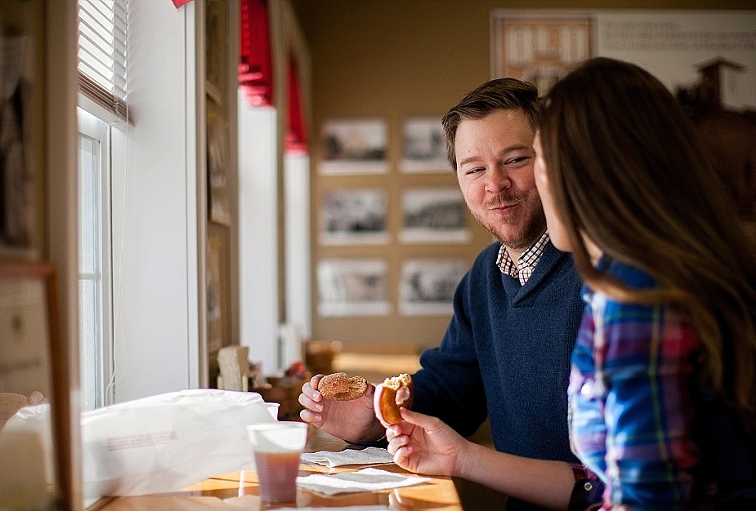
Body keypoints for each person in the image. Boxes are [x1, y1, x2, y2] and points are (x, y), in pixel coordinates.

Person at [387, 57, 756, 509]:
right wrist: (460, 457)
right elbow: (602, 485)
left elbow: (645, 500)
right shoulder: (619, 288)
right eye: (475, 169)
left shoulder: (640, 300)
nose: (501, 185)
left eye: (531, 159)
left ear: (597, 174)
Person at [300, 78, 598, 510]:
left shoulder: (601, 275)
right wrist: (378, 415)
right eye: (474, 168)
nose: (495, 184)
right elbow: (452, 393)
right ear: (458, 179)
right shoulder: (484, 278)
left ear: (550, 163)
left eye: (514, 160)